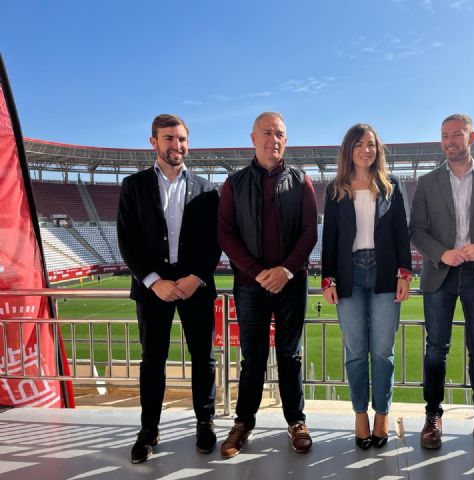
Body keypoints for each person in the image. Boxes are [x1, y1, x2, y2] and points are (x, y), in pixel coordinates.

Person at [117, 114, 221, 464]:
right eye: (169, 139)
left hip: (196, 286)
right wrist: (153, 281)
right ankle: (149, 429)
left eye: (182, 139)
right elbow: (127, 241)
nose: (177, 146)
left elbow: (214, 242)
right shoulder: (133, 186)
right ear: (154, 142)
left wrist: (197, 276)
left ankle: (205, 422)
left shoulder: (208, 189)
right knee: (153, 361)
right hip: (153, 288)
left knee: (203, 359)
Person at [409, 113, 474, 454]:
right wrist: (442, 253)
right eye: (444, 135)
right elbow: (417, 231)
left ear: (472, 137)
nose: (450, 141)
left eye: (457, 134)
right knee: (436, 348)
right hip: (441, 272)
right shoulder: (426, 183)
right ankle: (433, 416)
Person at [217, 112, 318, 457]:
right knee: (252, 358)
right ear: (253, 138)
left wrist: (286, 271)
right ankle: (244, 423)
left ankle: (296, 422)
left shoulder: (302, 181)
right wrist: (257, 271)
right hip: (250, 284)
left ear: (284, 140)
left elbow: (309, 232)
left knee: (290, 355)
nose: (273, 139)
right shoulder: (234, 183)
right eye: (267, 133)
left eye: (279, 134)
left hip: (292, 283)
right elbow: (225, 233)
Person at [321, 124, 411, 450]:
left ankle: (382, 413)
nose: (366, 150)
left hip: (385, 274)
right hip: (349, 276)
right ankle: (360, 414)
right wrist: (327, 279)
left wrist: (405, 274)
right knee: (356, 353)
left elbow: (402, 234)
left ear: (378, 149)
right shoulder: (335, 190)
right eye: (359, 144)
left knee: (383, 352)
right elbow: (329, 240)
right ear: (349, 150)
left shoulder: (392, 187)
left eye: (371, 144)